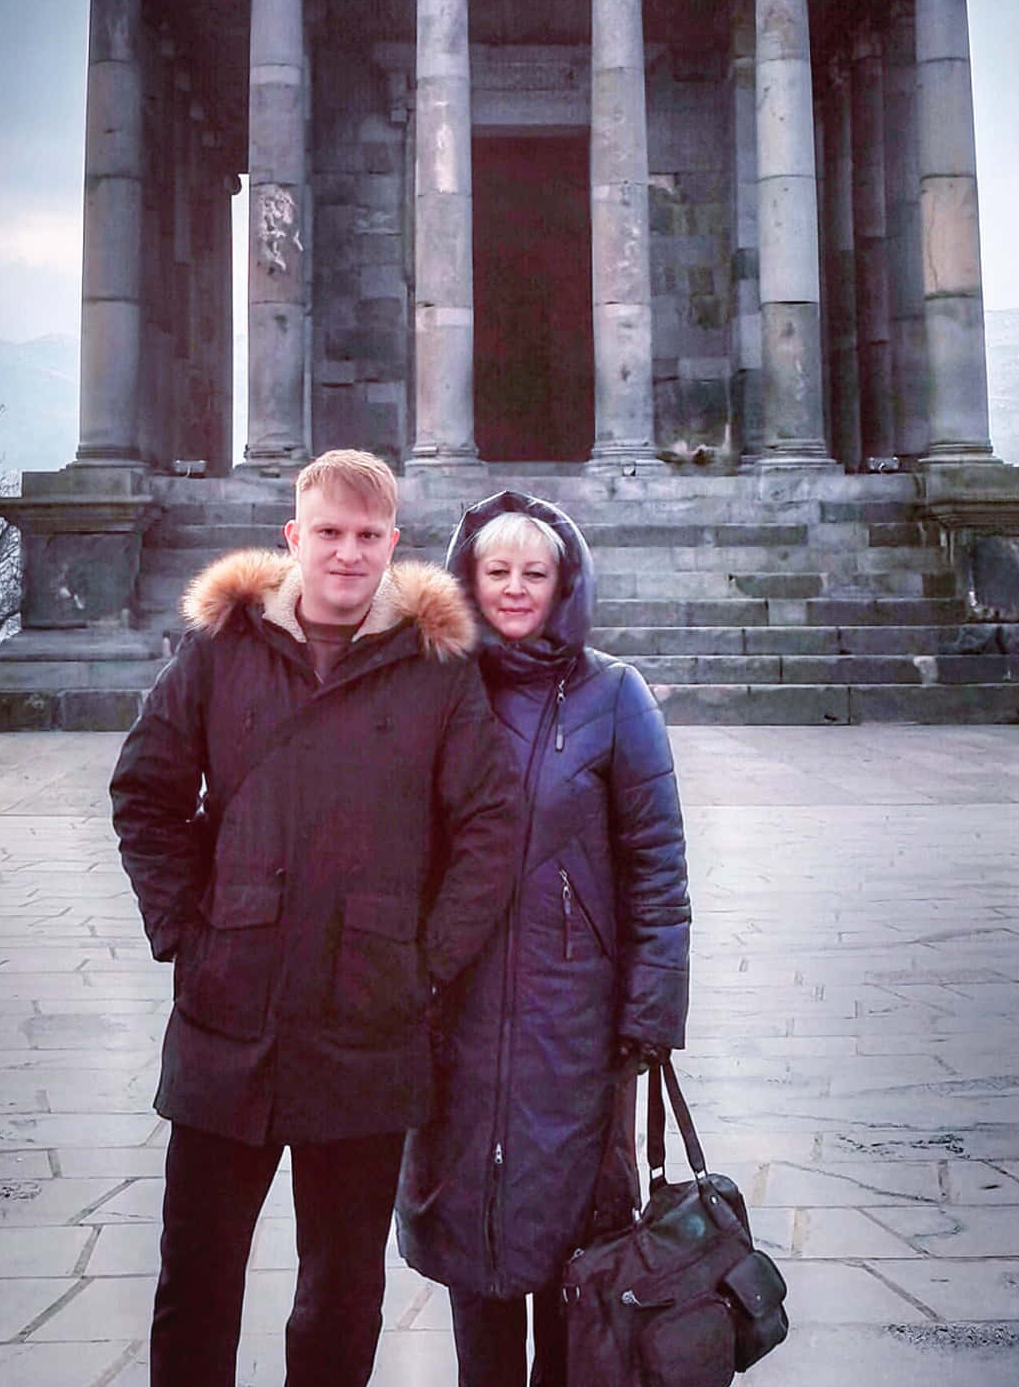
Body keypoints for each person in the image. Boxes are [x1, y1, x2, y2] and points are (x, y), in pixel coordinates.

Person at [111, 449, 522, 1387]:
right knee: (197, 1281)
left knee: (340, 1293)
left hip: (367, 1021)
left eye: (367, 537)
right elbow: (146, 790)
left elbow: (491, 823)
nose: (347, 554)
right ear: (293, 538)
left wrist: (428, 961)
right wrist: (187, 929)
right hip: (230, 1016)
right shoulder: (221, 649)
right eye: (328, 534)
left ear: (393, 546)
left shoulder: (436, 670)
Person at [398, 490, 691, 1387]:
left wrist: (649, 1014)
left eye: (536, 572)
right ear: (468, 579)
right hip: (457, 1014)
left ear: (566, 584)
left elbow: (657, 863)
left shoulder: (614, 696)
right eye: (497, 572)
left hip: (577, 1025)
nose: (516, 589)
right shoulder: (435, 687)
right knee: (473, 1248)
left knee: (578, 1265)